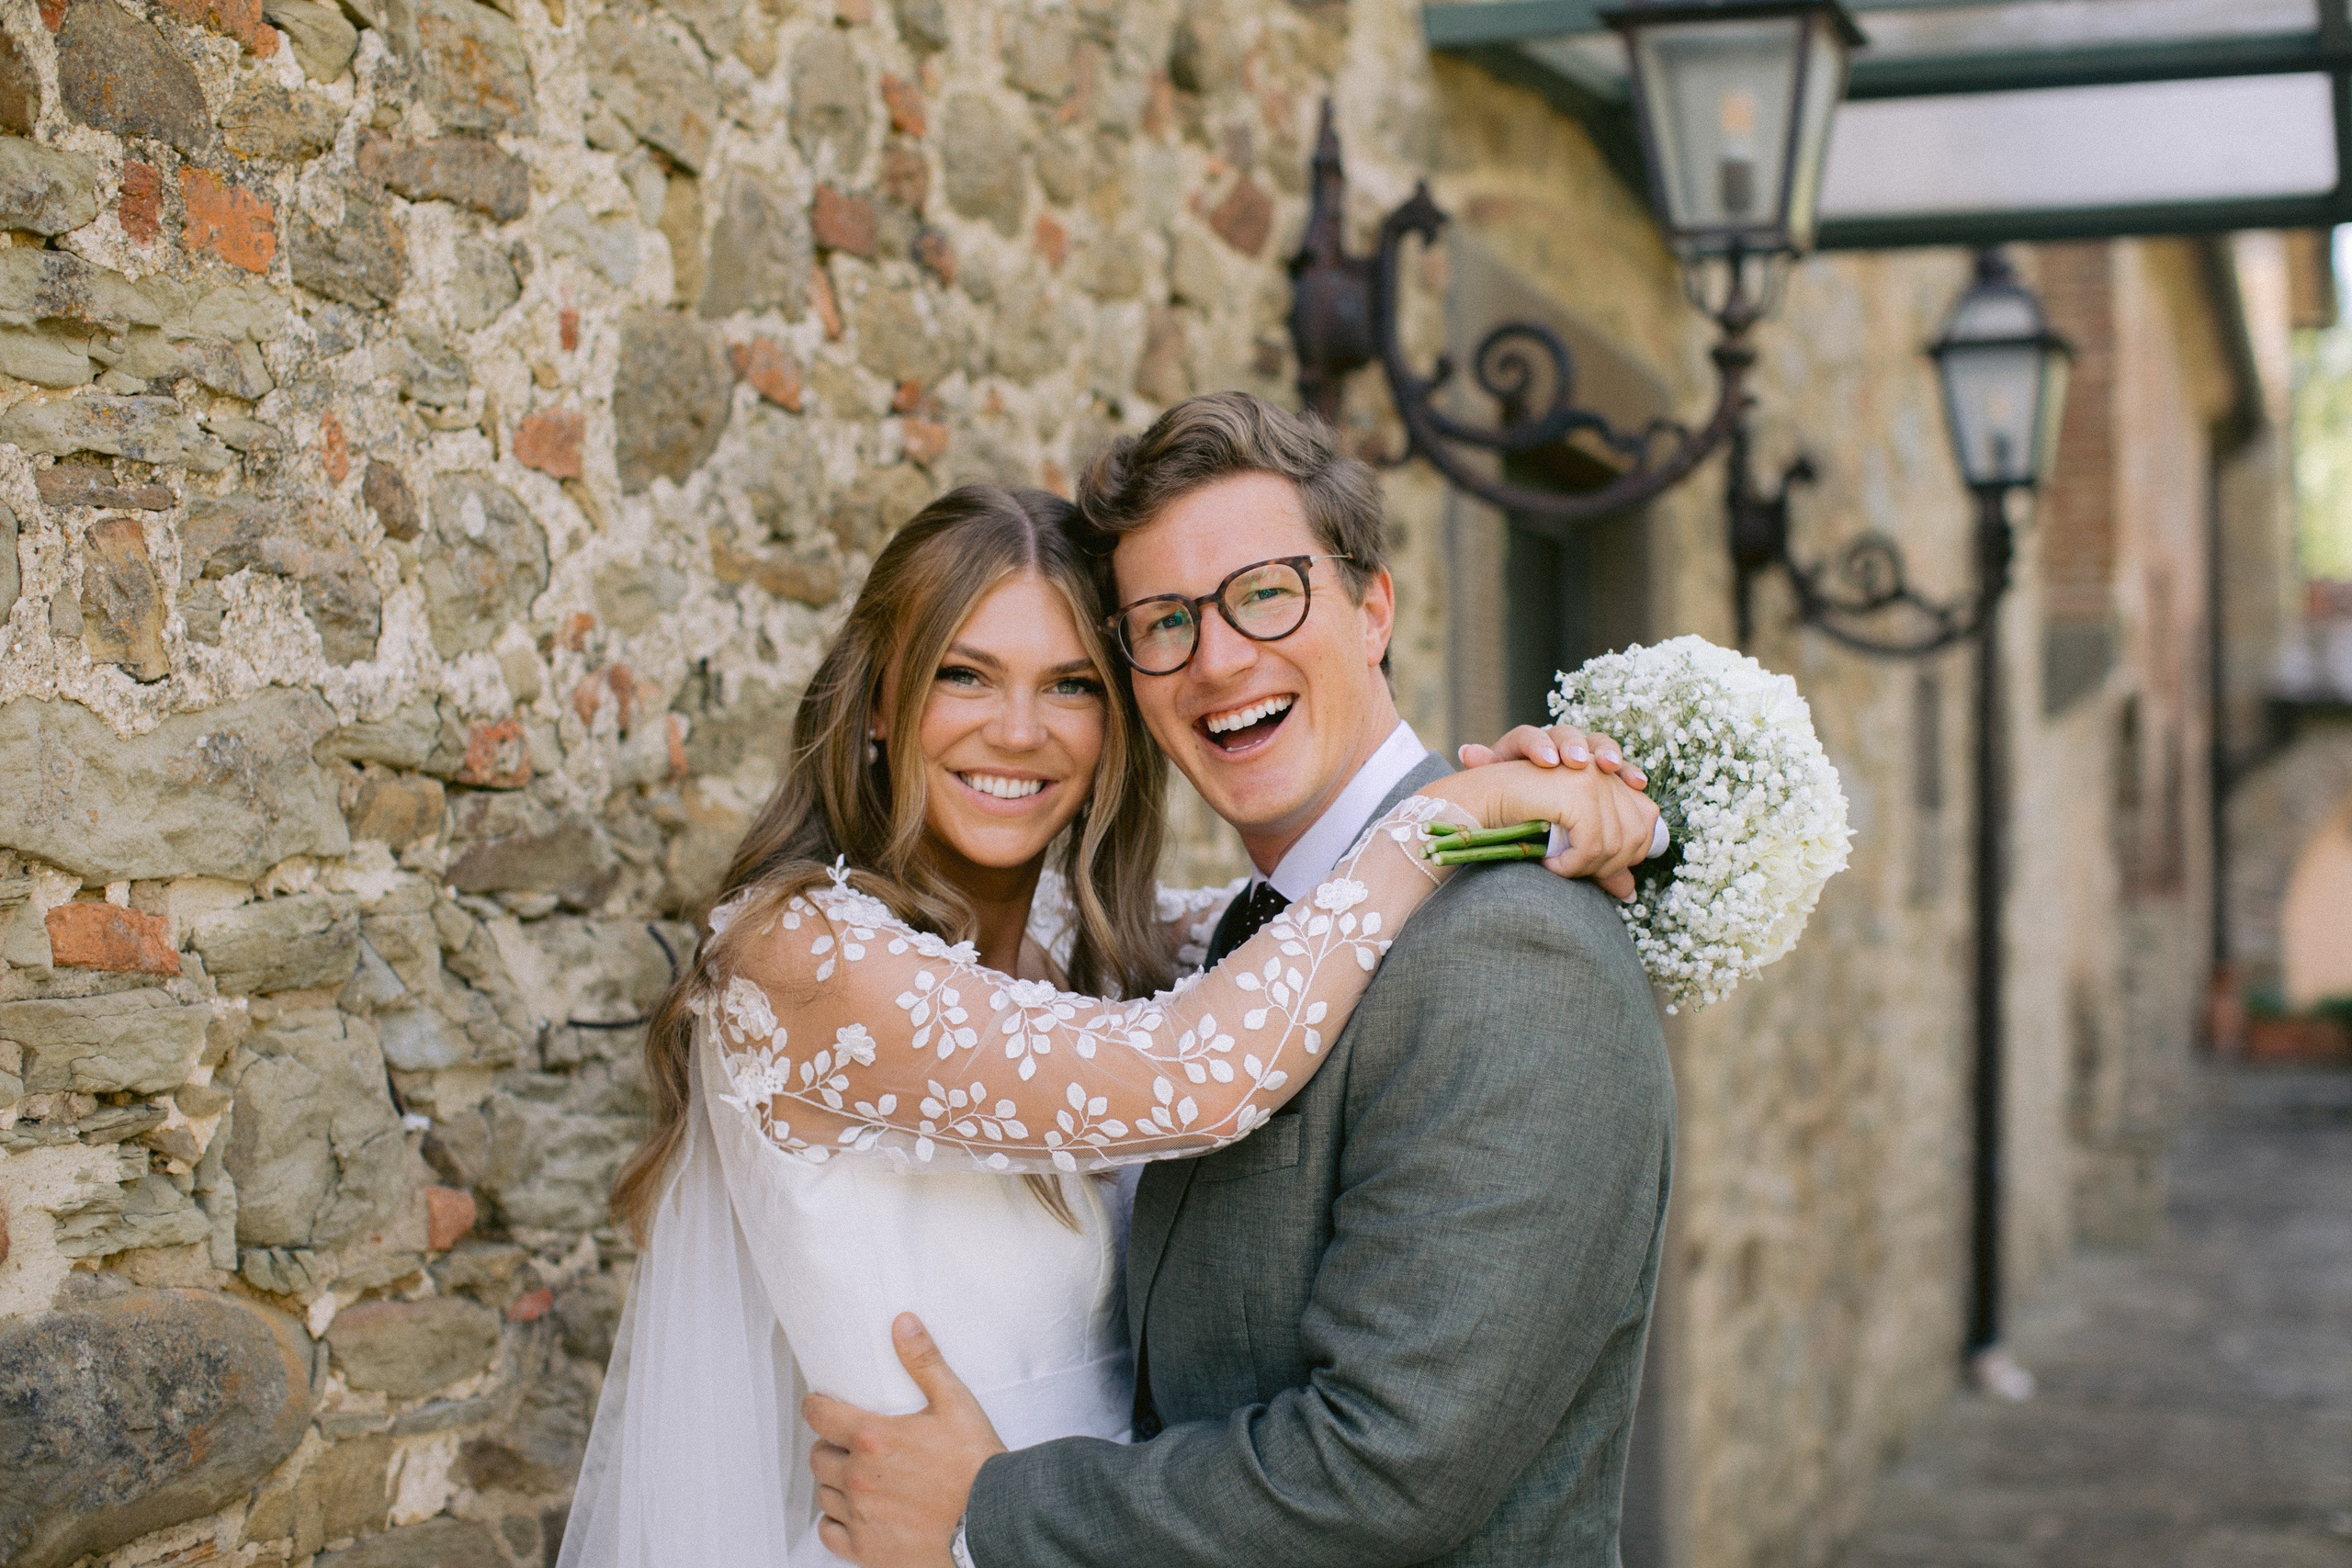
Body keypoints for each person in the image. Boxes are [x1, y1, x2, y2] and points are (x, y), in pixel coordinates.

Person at [557, 479, 1661, 1568]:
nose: (1021, 730)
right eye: (964, 675)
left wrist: (1546, 791)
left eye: (1073, 685)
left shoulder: (1094, 948)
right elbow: (1198, 1069)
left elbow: (1307, 930)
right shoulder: (798, 951)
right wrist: (1445, 820)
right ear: (882, 703)